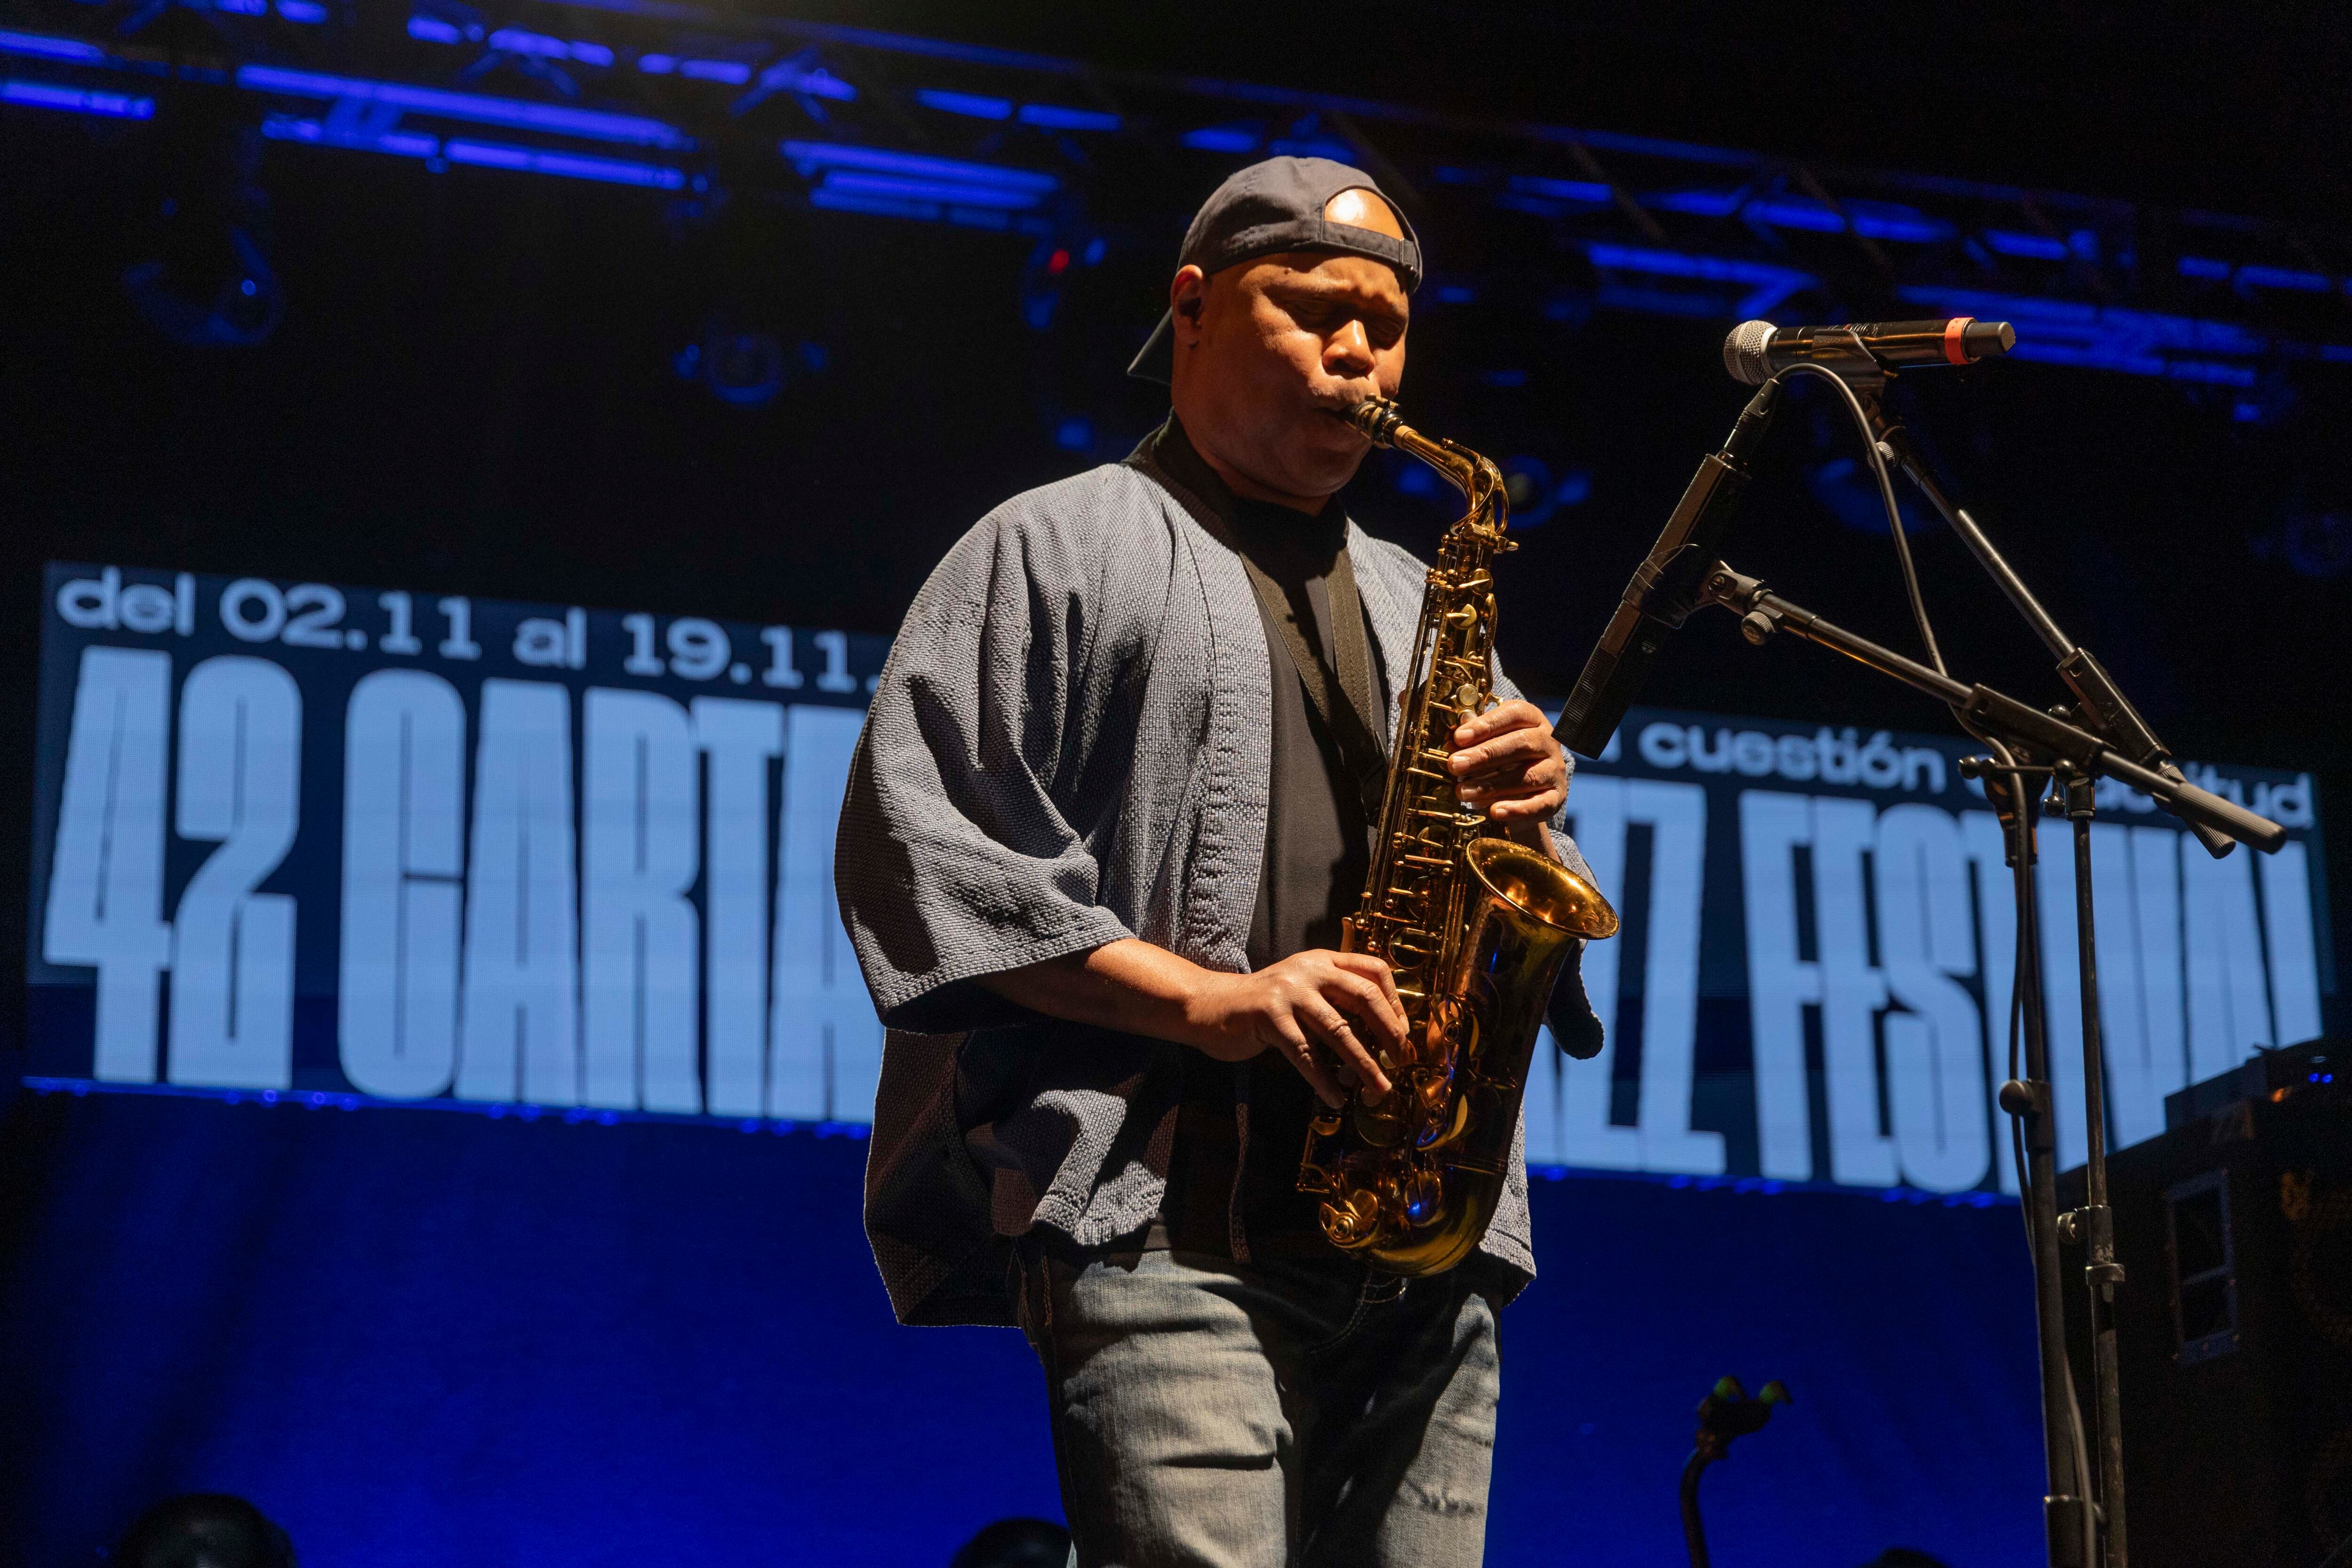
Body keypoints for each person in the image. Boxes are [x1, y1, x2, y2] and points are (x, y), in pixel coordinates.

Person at [839, 156, 1593, 1568]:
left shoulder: (1425, 597)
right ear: (1193, 307)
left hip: (1424, 1252)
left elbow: (1499, 911)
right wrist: (1212, 1003)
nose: (1359, 349)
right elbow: (929, 865)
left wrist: (1531, 811)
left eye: (1388, 322)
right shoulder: (1051, 546)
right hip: (1170, 1236)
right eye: (1310, 306)